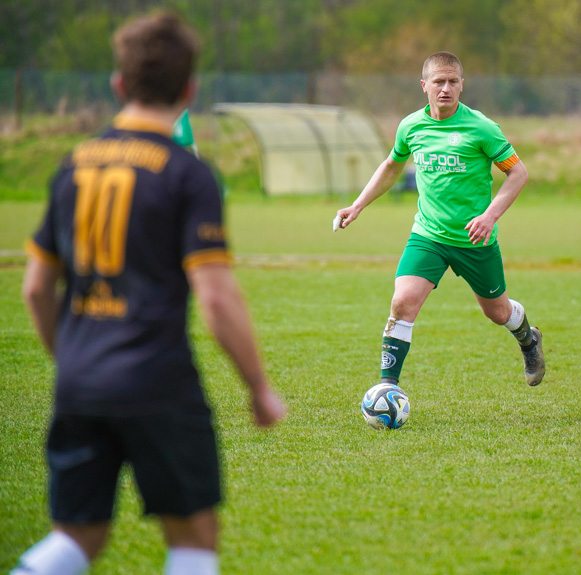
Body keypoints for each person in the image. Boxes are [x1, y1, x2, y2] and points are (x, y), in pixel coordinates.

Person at [14, 12, 285, 575]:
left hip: (81, 381)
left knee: (78, 535)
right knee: (192, 537)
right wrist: (258, 387)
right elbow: (215, 298)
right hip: (157, 380)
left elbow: (37, 286)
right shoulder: (187, 174)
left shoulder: (73, 164)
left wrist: (72, 359)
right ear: (190, 90)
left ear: (119, 84)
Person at [335, 51, 545, 391]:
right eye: (438, 82)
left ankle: (528, 339)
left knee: (497, 312)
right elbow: (392, 165)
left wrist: (489, 216)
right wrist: (357, 205)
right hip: (428, 235)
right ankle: (388, 388)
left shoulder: (481, 127)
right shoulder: (411, 126)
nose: (445, 88)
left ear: (462, 86)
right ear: (424, 86)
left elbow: (518, 173)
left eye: (452, 82)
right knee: (402, 302)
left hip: (474, 240)